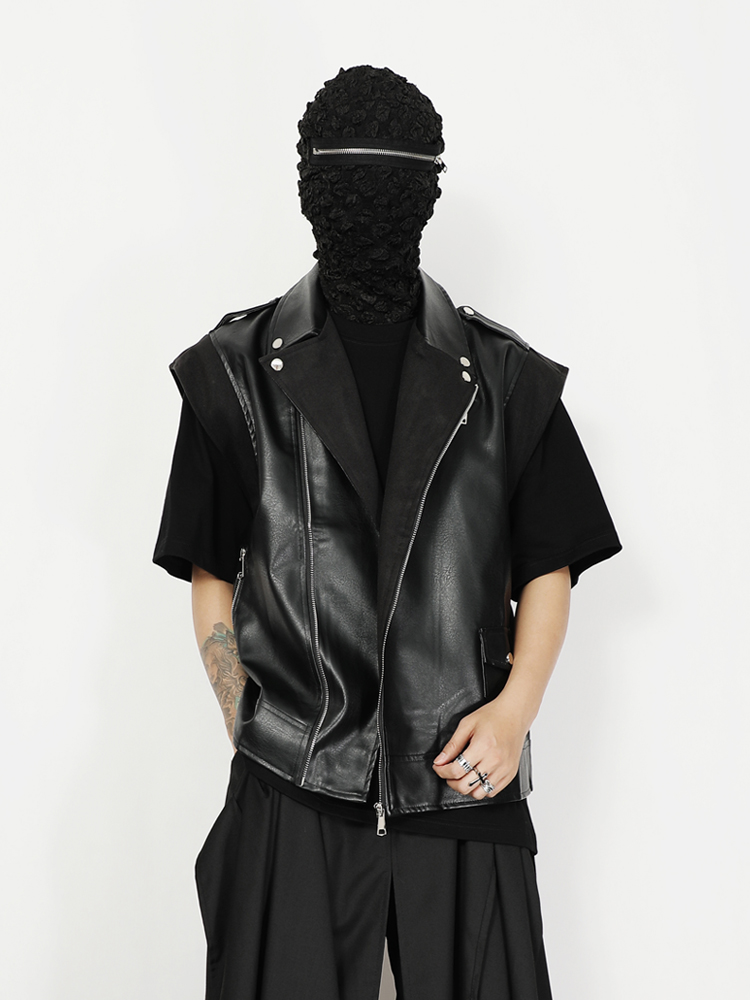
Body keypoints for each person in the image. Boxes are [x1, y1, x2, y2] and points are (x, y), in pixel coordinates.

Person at [154, 66, 621, 1000]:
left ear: (429, 192)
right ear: (307, 188)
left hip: (463, 776)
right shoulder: (231, 373)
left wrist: (515, 710)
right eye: (347, 179)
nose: (368, 203)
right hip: (291, 776)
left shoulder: (507, 379)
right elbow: (212, 570)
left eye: (392, 180)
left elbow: (550, 564)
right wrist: (245, 714)